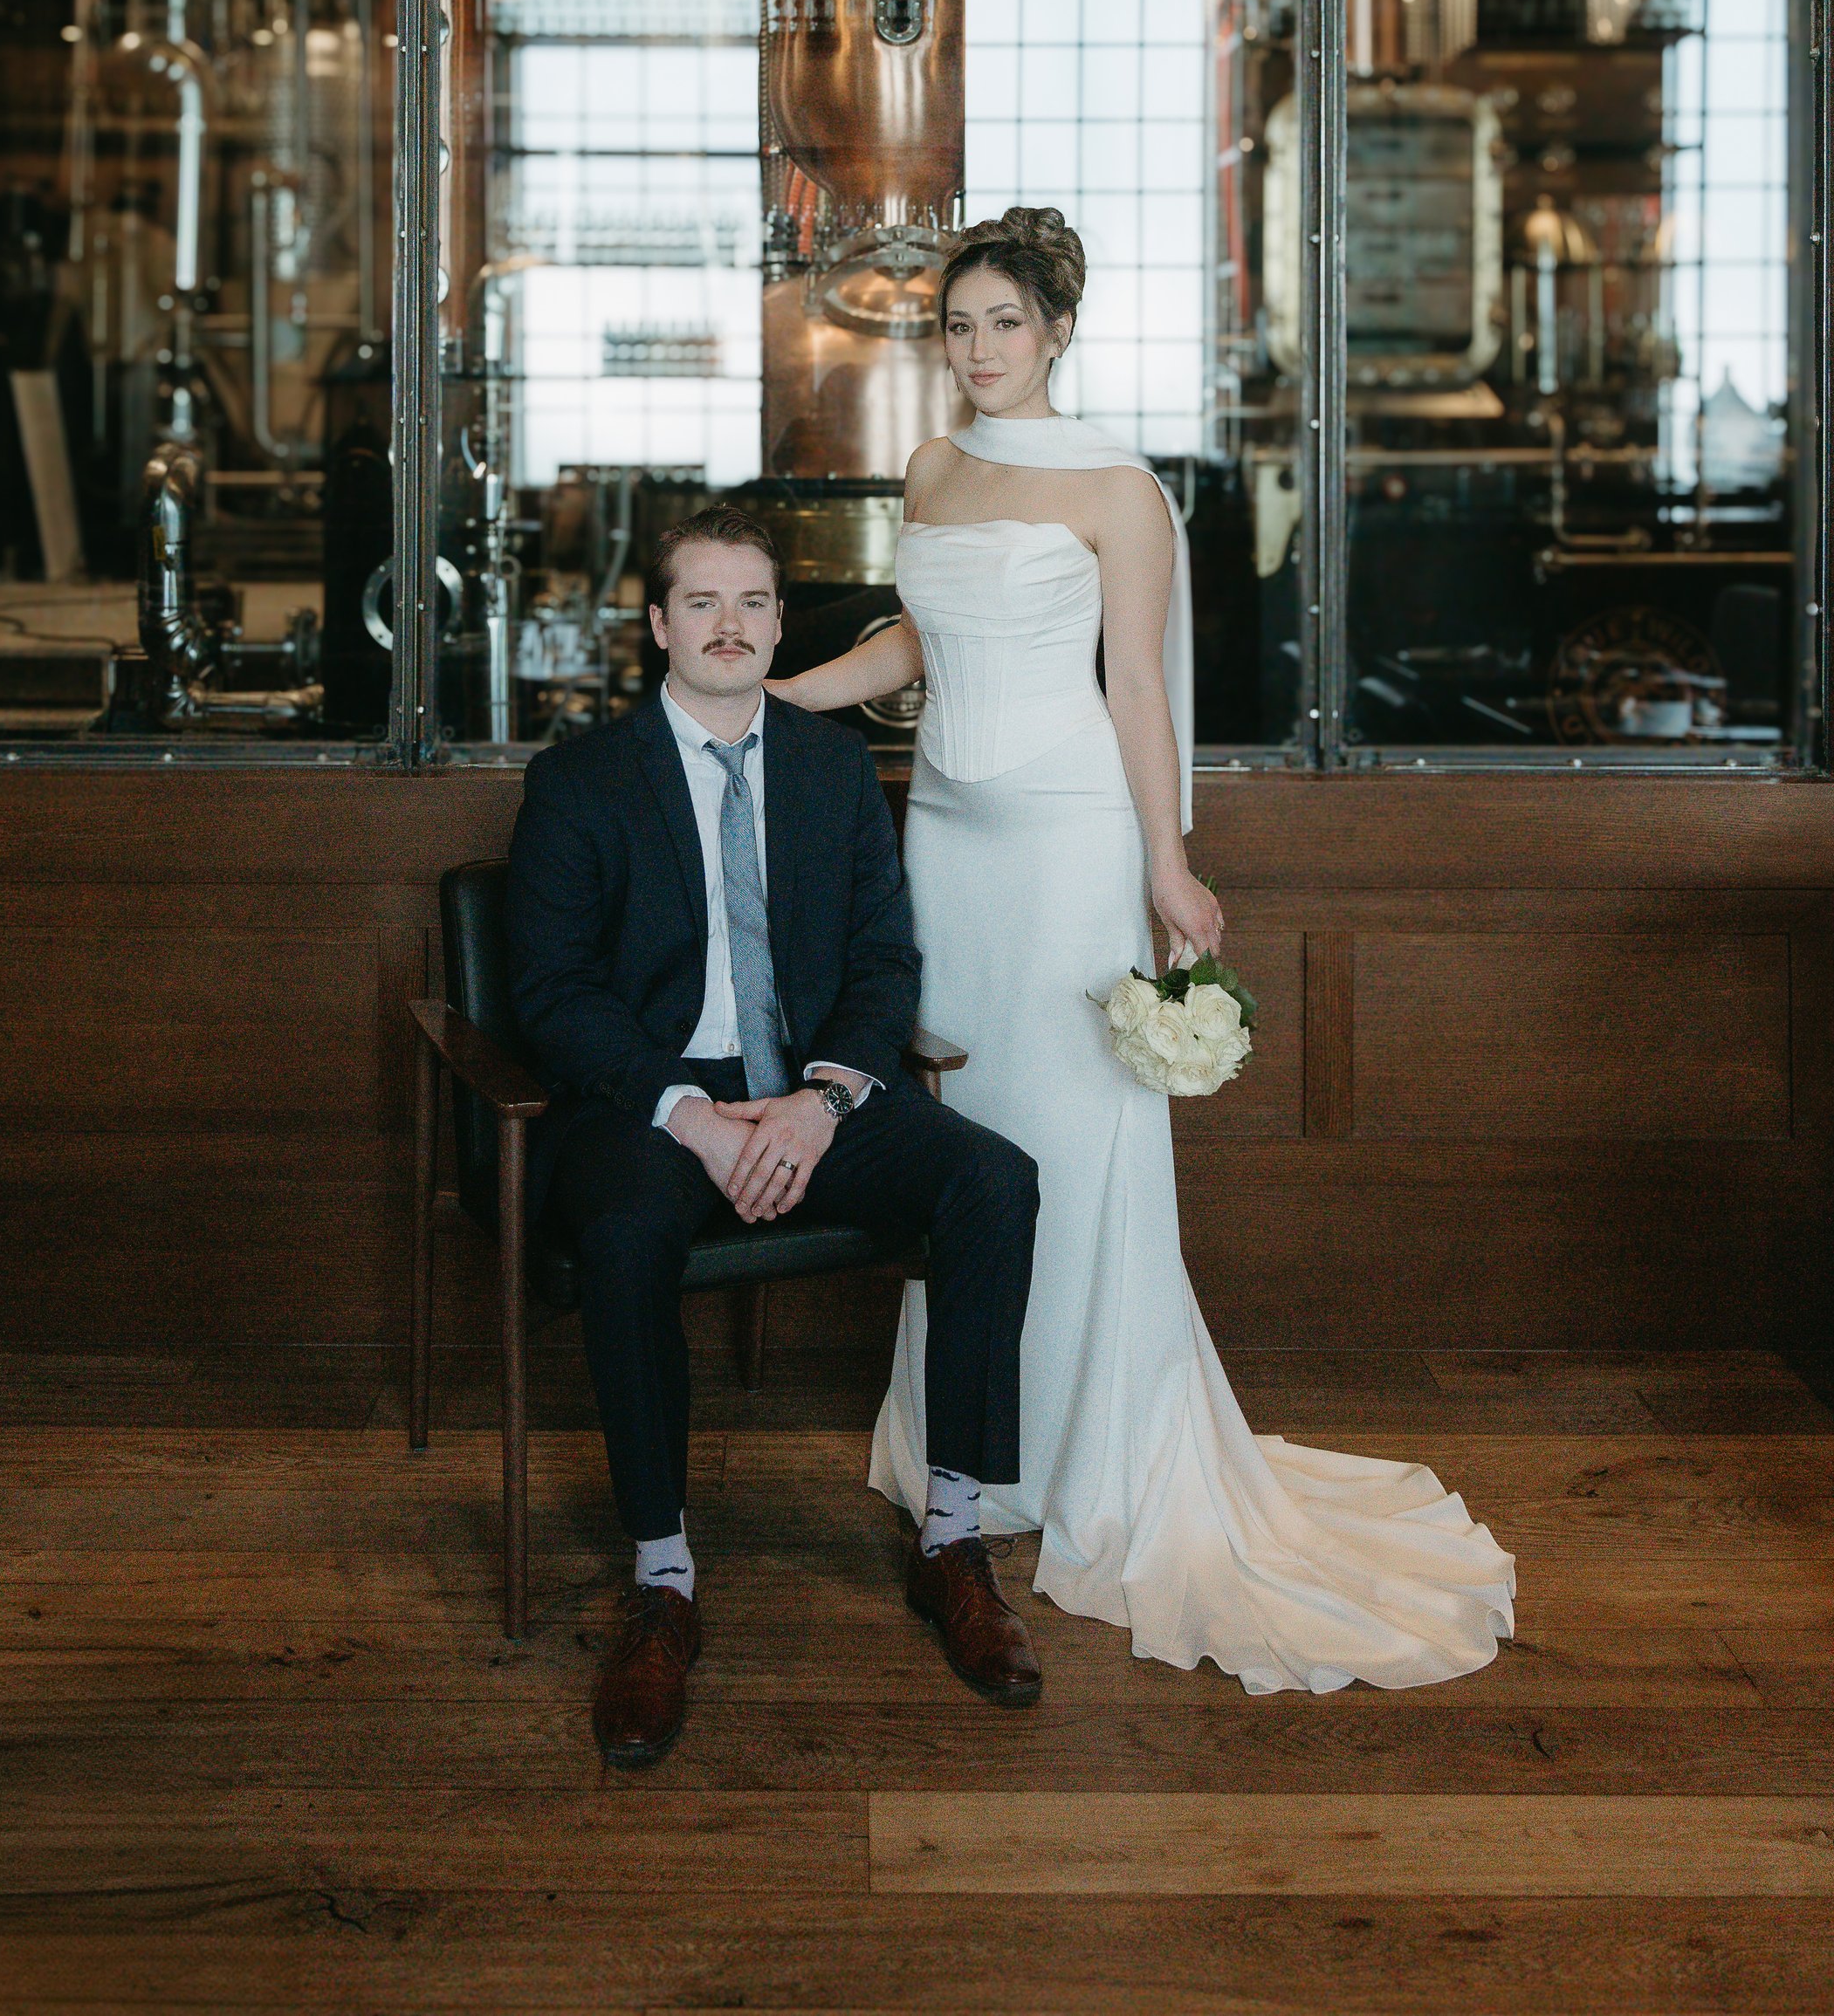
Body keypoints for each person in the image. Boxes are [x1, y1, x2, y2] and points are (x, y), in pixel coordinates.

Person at [771, 209, 1517, 1694]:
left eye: (1005, 321)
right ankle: (967, 1455)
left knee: (1069, 1136)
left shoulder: (1121, 489)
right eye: (959, 325)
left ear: (1058, 329)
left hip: (1067, 845)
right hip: (947, 843)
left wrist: (1166, 862)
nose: (979, 348)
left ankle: (1086, 1454)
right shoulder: (931, 468)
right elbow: (917, 644)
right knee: (959, 1128)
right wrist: (773, 696)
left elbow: (1136, 692)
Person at [503, 507, 1045, 1767]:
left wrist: (821, 1100)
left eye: (752, 602)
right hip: (651, 1101)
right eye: (701, 601)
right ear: (657, 625)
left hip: (808, 1090)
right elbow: (553, 993)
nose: (730, 624)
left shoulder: (831, 769)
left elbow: (884, 958)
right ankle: (663, 1579)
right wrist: (689, 1114)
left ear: (781, 623)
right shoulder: (581, 778)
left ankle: (952, 1540)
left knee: (994, 1180)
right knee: (626, 1230)